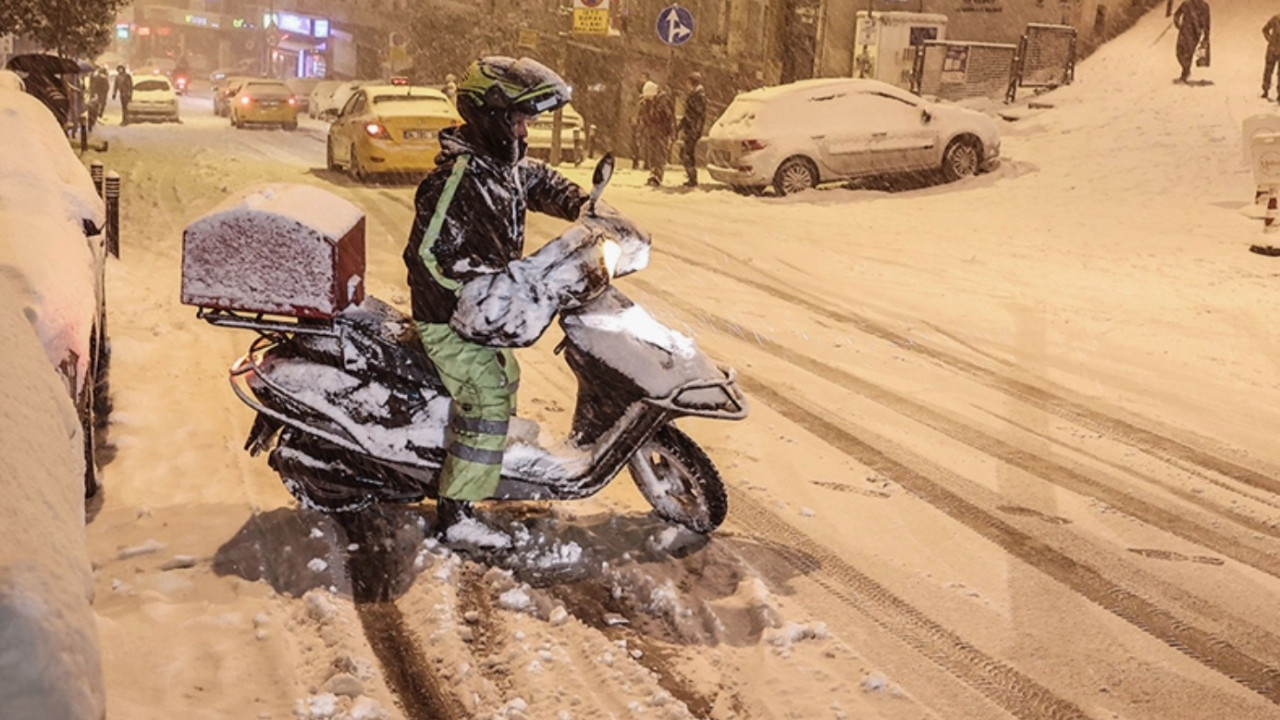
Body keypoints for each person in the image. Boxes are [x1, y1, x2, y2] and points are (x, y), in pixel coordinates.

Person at [403, 56, 589, 548]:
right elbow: (427, 255)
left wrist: (585, 205)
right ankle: (456, 513)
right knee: (486, 394)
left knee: (506, 374)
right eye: (518, 120)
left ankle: (483, 462)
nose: (524, 131)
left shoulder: (501, 167)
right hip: (449, 317)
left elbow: (539, 181)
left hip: (482, 315)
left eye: (527, 121)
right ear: (490, 116)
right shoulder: (458, 178)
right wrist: (473, 290)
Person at [638, 80, 675, 187]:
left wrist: (671, 132)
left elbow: (669, 118)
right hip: (652, 132)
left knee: (659, 154)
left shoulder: (663, 102)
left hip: (661, 133)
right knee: (652, 154)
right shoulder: (646, 103)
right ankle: (653, 173)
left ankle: (657, 175)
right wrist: (640, 131)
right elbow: (644, 118)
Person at [677, 71, 707, 187]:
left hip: (692, 129)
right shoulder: (696, 94)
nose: (686, 84)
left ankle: (692, 177)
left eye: (688, 82)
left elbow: (696, 114)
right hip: (691, 128)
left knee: (686, 153)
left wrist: (692, 127)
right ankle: (691, 176)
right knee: (686, 153)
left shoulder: (698, 96)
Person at [1172, 0, 1210, 83]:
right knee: (1180, 51)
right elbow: (1177, 15)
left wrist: (1206, 36)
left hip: (1195, 32)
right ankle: (1186, 70)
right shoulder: (1186, 4)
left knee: (1188, 52)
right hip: (1186, 31)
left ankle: (1185, 73)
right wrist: (1178, 24)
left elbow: (1207, 23)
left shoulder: (1204, 6)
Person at [630, 71, 650, 169]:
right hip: (638, 119)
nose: (642, 79)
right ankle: (635, 160)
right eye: (641, 77)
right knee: (636, 141)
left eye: (644, 77)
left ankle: (646, 162)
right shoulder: (636, 90)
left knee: (646, 142)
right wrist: (633, 116)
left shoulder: (649, 90)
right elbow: (632, 104)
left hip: (645, 119)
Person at [1263, 13, 1280, 99]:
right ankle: (1265, 90)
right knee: (1268, 71)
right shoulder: (1275, 19)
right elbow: (1265, 30)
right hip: (1272, 50)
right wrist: (1270, 40)